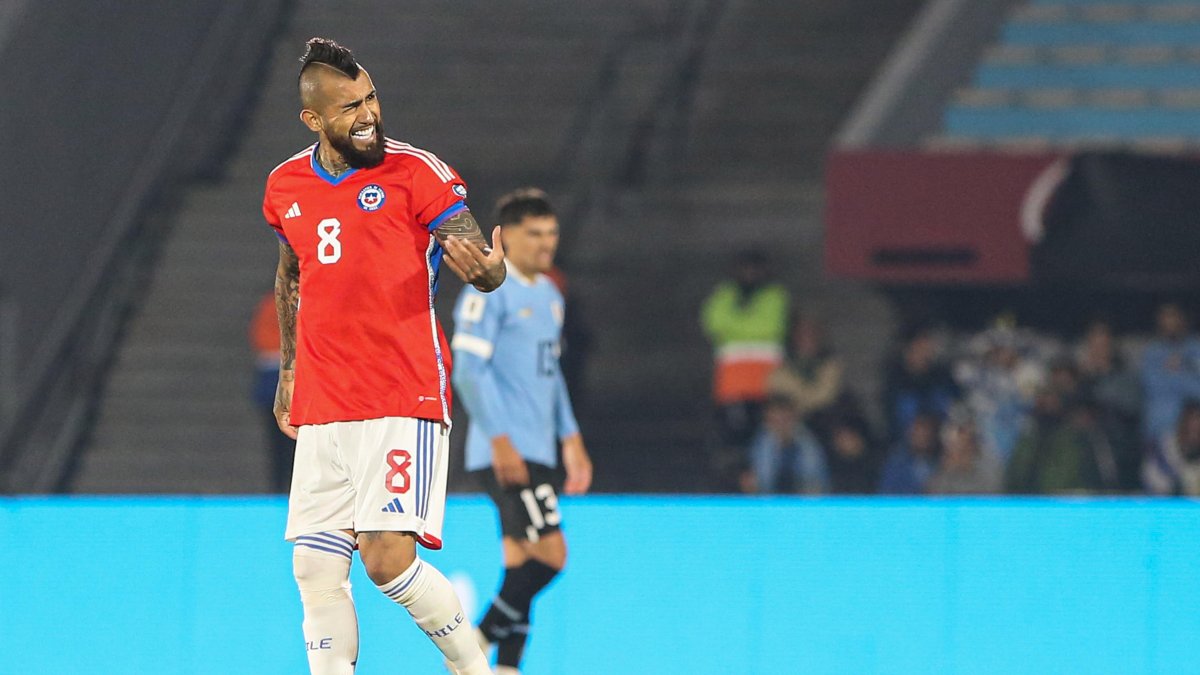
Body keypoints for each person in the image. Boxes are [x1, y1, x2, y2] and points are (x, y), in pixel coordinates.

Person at [263, 38, 505, 675]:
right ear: (314, 121)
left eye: (370, 97)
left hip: (401, 393)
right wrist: (290, 370)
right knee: (314, 566)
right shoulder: (285, 185)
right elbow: (291, 277)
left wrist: (489, 272)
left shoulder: (414, 171)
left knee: (386, 561)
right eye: (349, 107)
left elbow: (473, 252)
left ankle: (476, 669)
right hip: (323, 399)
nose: (368, 114)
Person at [451, 189, 593, 675]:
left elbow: (551, 376)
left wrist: (570, 439)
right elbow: (468, 369)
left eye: (551, 233)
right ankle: (470, 649)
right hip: (507, 450)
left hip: (538, 445)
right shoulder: (487, 289)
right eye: (534, 234)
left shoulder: (551, 295)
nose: (545, 244)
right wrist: (499, 438)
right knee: (552, 556)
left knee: (519, 564)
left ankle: (507, 668)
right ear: (506, 236)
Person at [700, 249, 790, 486]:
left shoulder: (775, 296)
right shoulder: (724, 294)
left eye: (755, 268)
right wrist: (748, 322)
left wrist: (735, 325)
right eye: (745, 268)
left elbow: (769, 326)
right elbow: (712, 322)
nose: (750, 274)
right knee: (732, 443)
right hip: (731, 387)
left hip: (767, 387)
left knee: (766, 442)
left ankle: (766, 492)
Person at [881, 325, 958, 444]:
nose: (926, 349)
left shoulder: (943, 377)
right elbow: (894, 419)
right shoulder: (895, 382)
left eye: (928, 344)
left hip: (941, 441)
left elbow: (952, 405)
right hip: (907, 445)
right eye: (921, 344)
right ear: (909, 347)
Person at [248, 291, 293, 492]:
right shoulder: (272, 305)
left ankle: (284, 485)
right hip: (277, 377)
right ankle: (281, 486)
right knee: (280, 443)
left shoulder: (272, 303)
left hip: (277, 376)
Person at [1140, 302, 1200, 444]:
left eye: (1173, 317)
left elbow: (1197, 390)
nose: (1170, 323)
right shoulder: (1152, 352)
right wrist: (1183, 374)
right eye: (1166, 318)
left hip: (1189, 435)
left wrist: (1173, 373)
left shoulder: (1195, 349)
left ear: (1182, 319)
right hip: (1157, 430)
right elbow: (1151, 387)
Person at [745, 395, 828, 494]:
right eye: (775, 420)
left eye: (785, 419)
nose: (781, 425)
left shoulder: (807, 442)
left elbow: (817, 481)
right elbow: (761, 482)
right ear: (767, 420)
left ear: (794, 418)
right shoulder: (761, 444)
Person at [926, 412, 1003, 495]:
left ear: (971, 447)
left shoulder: (989, 471)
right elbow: (935, 499)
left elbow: (992, 500)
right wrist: (947, 471)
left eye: (961, 448)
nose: (955, 454)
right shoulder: (940, 474)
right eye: (951, 447)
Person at [1144, 399, 1200, 496]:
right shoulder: (1162, 447)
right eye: (1191, 426)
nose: (1194, 432)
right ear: (1182, 423)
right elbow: (1152, 482)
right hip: (1161, 505)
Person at [877, 411, 941, 495]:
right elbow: (886, 492)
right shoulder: (896, 464)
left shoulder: (942, 461)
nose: (923, 438)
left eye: (926, 433)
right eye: (918, 433)